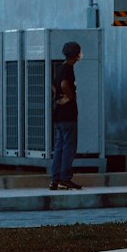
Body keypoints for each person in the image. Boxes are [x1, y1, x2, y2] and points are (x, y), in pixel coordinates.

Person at [49, 40, 83, 191]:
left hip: (58, 113)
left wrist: (57, 97)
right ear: (76, 55)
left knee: (59, 146)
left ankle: (55, 179)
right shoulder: (69, 68)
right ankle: (65, 178)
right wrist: (69, 97)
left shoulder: (60, 68)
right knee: (69, 146)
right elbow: (63, 84)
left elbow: (54, 85)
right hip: (68, 114)